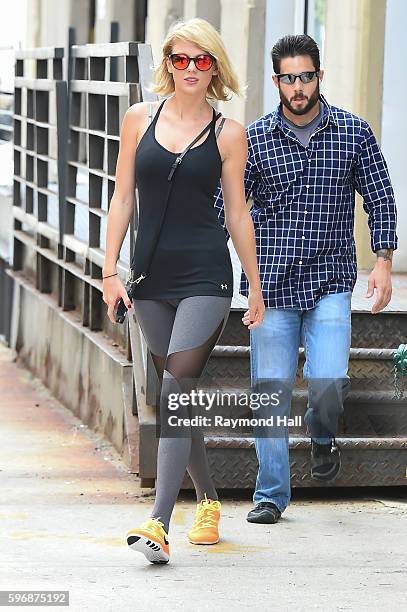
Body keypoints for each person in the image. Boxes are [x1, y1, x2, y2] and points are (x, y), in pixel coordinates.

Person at [214, 34, 398, 525]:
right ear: (277, 81)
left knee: (329, 381)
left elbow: (380, 196)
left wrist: (382, 260)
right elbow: (228, 208)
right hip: (271, 283)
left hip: (331, 278)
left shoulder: (353, 133)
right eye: (289, 78)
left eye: (306, 76)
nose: (298, 87)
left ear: (320, 76)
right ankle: (271, 494)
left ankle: (322, 434)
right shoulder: (253, 140)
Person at [102, 18, 265, 564]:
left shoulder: (228, 133)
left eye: (202, 60)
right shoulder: (137, 119)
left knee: (176, 386)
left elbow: (238, 213)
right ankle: (211, 501)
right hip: (148, 277)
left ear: (214, 67)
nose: (191, 69)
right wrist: (109, 271)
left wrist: (254, 284)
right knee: (180, 394)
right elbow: (123, 197)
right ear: (167, 64)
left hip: (205, 278)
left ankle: (158, 521)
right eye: (181, 59)